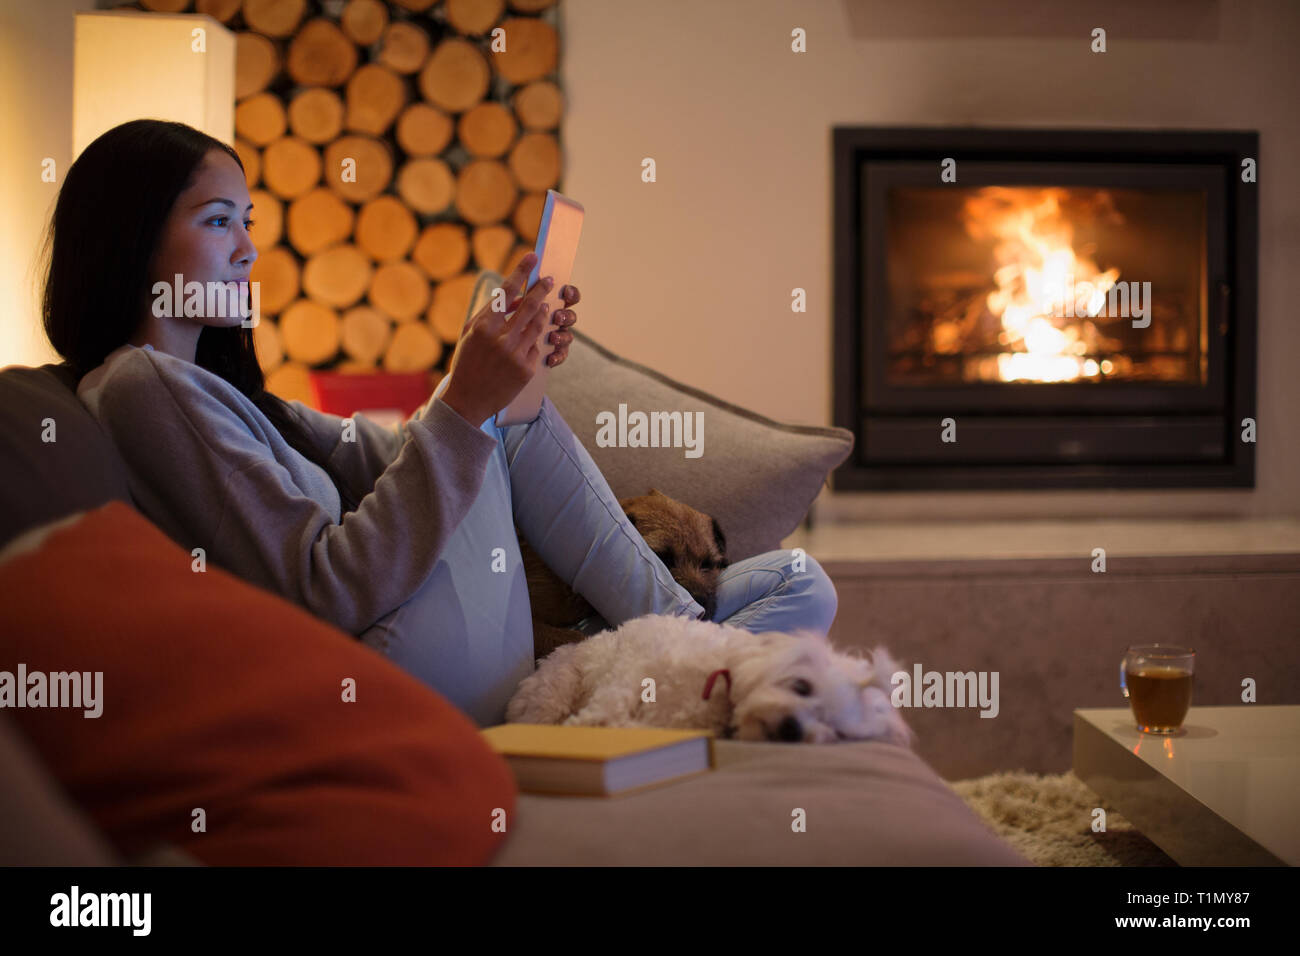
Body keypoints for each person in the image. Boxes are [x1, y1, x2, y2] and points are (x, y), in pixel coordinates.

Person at [47, 120, 838, 726]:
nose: (250, 248)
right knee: (491, 423)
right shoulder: (141, 385)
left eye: (248, 220)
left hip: (431, 642)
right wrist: (473, 401)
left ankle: (663, 650)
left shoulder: (211, 385)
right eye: (219, 221)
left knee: (798, 584)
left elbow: (381, 456)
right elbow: (324, 592)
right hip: (384, 670)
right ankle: (672, 635)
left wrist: (497, 381)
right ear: (132, 235)